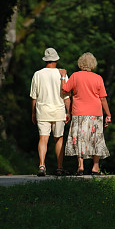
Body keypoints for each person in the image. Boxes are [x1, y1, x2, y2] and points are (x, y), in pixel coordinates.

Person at [59, 52, 111, 175]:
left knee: (80, 139)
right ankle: (95, 167)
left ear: (80, 63)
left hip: (79, 113)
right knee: (96, 138)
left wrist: (63, 77)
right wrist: (108, 115)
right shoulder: (98, 78)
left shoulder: (75, 76)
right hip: (95, 113)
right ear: (93, 64)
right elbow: (103, 99)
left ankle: (80, 166)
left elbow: (64, 90)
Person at [30, 48, 71, 177]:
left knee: (43, 139)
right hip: (58, 111)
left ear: (45, 60)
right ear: (57, 60)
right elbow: (66, 96)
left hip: (42, 110)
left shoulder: (37, 74)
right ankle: (59, 168)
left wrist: (33, 113)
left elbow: (34, 96)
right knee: (58, 139)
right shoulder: (62, 74)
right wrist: (68, 112)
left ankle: (42, 165)